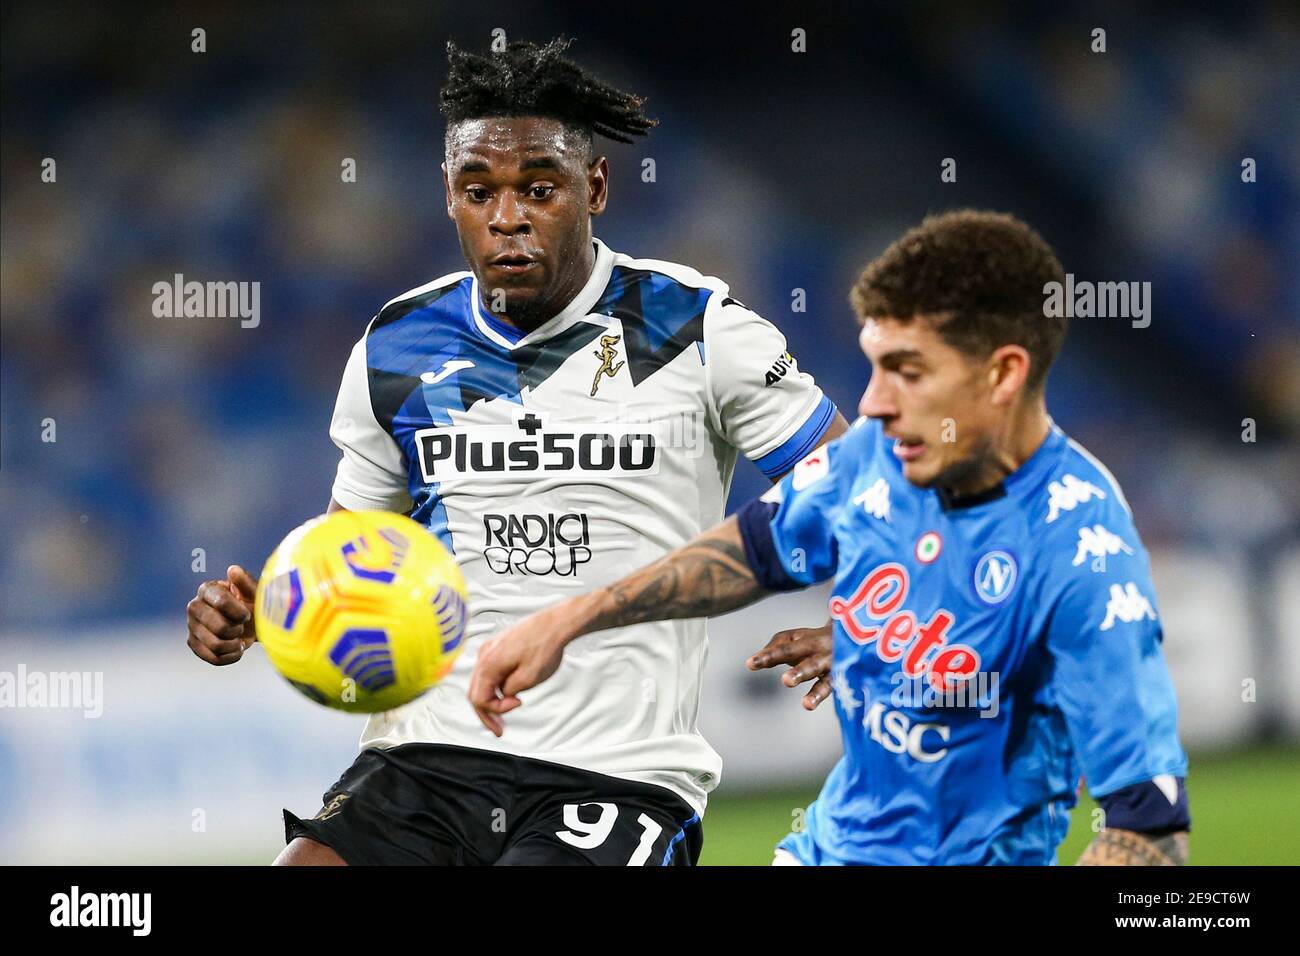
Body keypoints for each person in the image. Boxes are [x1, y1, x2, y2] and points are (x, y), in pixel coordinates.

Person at [185, 36, 847, 866]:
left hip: (617, 775)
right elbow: (351, 557)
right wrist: (263, 612)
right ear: (450, 197)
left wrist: (864, 621)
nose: (508, 217)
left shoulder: (696, 329)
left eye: (540, 188)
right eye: (479, 191)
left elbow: (855, 488)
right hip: (423, 757)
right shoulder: (397, 346)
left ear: (594, 187)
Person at [469, 210, 1191, 865]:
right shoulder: (885, 454)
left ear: (1002, 374)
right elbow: (751, 552)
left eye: (907, 372)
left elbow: (1146, 829)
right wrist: (570, 619)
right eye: (875, 365)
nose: (872, 402)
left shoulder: (1080, 552)